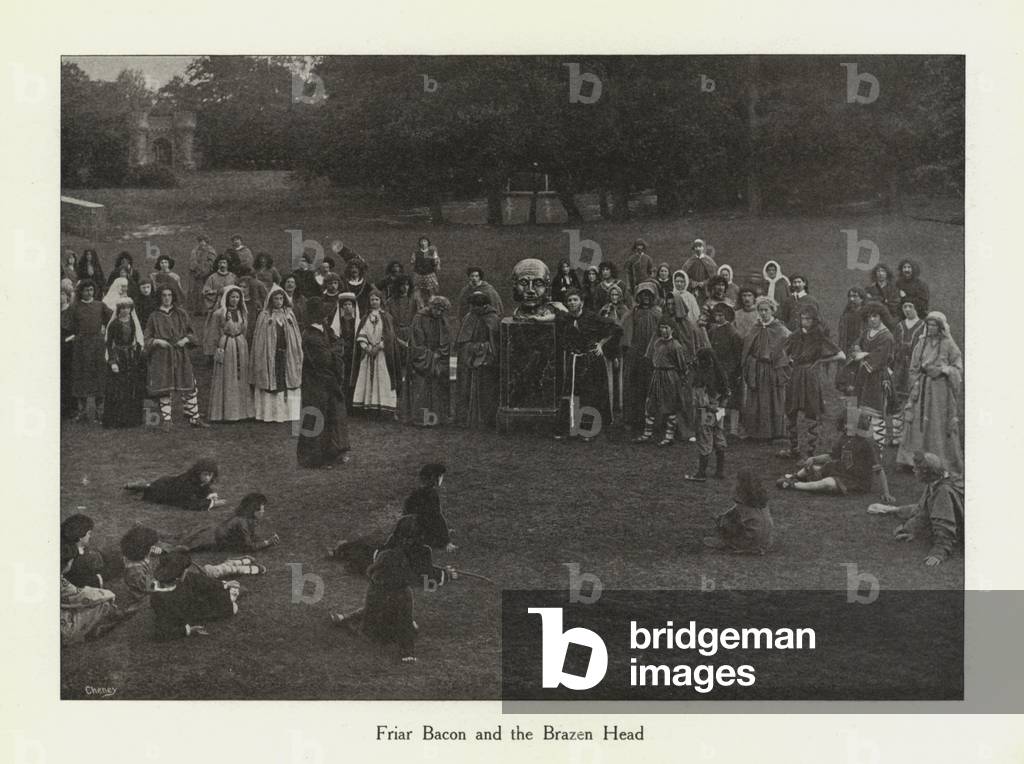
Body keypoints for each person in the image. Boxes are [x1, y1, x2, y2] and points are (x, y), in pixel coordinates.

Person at [118, 525, 264, 616]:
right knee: (192, 580)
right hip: (150, 597)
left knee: (199, 573)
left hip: (158, 584)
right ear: (142, 548)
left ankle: (231, 570)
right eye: (150, 546)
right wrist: (173, 577)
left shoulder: (138, 557)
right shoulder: (134, 571)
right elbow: (152, 587)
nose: (154, 548)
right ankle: (231, 576)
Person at [895, 311, 963, 473]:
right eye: (929, 325)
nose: (931, 328)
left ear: (941, 327)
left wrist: (942, 370)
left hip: (940, 391)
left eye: (934, 325)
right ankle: (912, 460)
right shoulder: (922, 343)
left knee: (936, 422)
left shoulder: (948, 344)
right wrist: (917, 382)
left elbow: (957, 368)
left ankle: (938, 460)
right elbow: (913, 367)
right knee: (916, 422)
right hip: (922, 389)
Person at [776, 411, 895, 503]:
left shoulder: (868, 443)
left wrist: (886, 493)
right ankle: (794, 477)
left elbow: (879, 469)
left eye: (848, 423)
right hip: (840, 470)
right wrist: (814, 459)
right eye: (845, 423)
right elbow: (831, 456)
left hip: (857, 480)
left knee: (828, 483)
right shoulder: (844, 437)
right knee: (815, 467)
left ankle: (796, 485)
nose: (845, 426)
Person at [870, 451, 964, 567]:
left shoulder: (943, 491)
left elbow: (944, 524)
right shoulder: (937, 482)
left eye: (916, 469)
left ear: (926, 472)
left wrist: (939, 552)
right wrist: (910, 528)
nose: (914, 472)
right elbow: (923, 510)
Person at [554, 289, 622, 440]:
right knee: (571, 394)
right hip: (574, 361)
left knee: (589, 395)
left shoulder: (591, 317)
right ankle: (570, 429)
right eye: (570, 300)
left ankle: (587, 431)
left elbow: (615, 328)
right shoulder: (566, 318)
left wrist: (601, 344)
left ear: (582, 303)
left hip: (590, 361)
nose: (572, 303)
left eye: (575, 300)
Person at [779, 305, 843, 459]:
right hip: (795, 375)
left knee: (811, 410)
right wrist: (788, 361)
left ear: (814, 320)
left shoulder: (818, 336)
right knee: (791, 409)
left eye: (808, 319)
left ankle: (809, 453)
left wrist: (821, 361)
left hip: (810, 377)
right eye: (802, 318)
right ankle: (793, 449)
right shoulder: (795, 335)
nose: (804, 321)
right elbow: (783, 351)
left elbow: (841, 355)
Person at [297, 297, 351, 468]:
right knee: (316, 418)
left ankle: (333, 452)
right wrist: (336, 352)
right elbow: (325, 359)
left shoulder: (325, 330)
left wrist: (335, 351)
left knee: (333, 417)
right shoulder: (310, 335)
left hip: (328, 382)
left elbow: (338, 346)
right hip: (316, 383)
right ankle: (313, 458)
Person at [145, 285, 208, 428]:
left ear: (173, 297)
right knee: (164, 386)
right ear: (159, 297)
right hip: (162, 356)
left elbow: (192, 333)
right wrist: (157, 341)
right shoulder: (154, 316)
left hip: (180, 354)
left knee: (189, 383)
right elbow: (147, 337)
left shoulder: (181, 313)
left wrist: (186, 340)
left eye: (169, 295)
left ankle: (194, 417)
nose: (167, 298)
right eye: (164, 295)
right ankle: (167, 420)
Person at [148, 549, 242, 641]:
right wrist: (187, 630)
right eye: (185, 571)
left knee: (221, 590)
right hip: (190, 612)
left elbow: (199, 580)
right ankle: (229, 596)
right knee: (232, 607)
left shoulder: (178, 579)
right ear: (179, 575)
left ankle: (227, 590)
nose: (186, 572)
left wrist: (223, 584)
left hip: (192, 601)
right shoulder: (161, 598)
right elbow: (161, 632)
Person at [250, 285, 303, 422]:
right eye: (276, 299)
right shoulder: (264, 316)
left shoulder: (289, 314)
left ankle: (288, 413)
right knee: (272, 382)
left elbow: (295, 336)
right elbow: (259, 339)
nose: (279, 301)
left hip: (287, 354)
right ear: (271, 300)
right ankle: (270, 414)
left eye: (281, 298)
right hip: (270, 355)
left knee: (287, 381)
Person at [740, 296, 791, 441]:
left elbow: (789, 345)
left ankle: (775, 432)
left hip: (772, 369)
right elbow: (748, 346)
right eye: (760, 310)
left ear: (772, 311)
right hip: (756, 368)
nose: (763, 313)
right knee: (756, 399)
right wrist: (750, 362)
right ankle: (756, 432)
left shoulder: (779, 328)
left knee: (773, 399)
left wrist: (782, 361)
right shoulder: (755, 327)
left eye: (766, 310)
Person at [633, 319, 690, 446]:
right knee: (650, 403)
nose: (663, 330)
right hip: (656, 375)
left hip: (670, 377)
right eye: (661, 328)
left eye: (666, 328)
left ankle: (669, 437)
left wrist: (680, 381)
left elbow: (682, 366)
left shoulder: (676, 346)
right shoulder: (657, 342)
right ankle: (647, 434)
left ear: (672, 330)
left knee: (670, 406)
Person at [62, 279, 112, 423]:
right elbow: (67, 325)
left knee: (99, 377)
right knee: (81, 378)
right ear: (81, 292)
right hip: (81, 346)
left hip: (97, 345)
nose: (89, 292)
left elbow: (113, 318)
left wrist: (105, 330)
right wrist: (73, 337)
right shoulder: (75, 307)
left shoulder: (100, 305)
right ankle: (82, 413)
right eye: (86, 290)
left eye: (91, 290)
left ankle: (99, 413)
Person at [848, 301, 896, 449]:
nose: (872, 319)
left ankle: (877, 451)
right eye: (869, 317)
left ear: (882, 317)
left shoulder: (886, 337)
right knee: (858, 410)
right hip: (862, 377)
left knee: (875, 412)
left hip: (877, 378)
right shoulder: (867, 332)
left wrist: (863, 355)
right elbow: (855, 347)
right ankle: (859, 446)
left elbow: (880, 358)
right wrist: (859, 352)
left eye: (875, 316)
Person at [454, 290, 501, 429]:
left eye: (475, 306)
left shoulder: (493, 318)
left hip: (486, 361)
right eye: (472, 306)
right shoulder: (470, 316)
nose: (472, 309)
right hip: (470, 360)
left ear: (484, 306)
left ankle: (486, 420)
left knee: (486, 390)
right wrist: (470, 348)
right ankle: (467, 419)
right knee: (466, 388)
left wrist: (482, 348)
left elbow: (495, 343)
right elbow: (462, 340)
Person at [208, 285, 255, 422]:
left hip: (240, 344)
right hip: (226, 344)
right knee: (228, 375)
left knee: (241, 375)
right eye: (232, 297)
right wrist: (218, 348)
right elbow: (214, 333)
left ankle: (242, 412)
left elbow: (245, 329)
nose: (234, 299)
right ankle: (227, 412)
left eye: (237, 297)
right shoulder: (219, 313)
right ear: (226, 298)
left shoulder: (242, 312)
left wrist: (241, 340)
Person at [61, 544, 123, 646]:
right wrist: (109, 595)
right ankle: (87, 634)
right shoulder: (62, 583)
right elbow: (82, 595)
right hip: (61, 628)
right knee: (103, 604)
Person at [178, 492, 282, 553]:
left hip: (211, 533)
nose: (263, 512)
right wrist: (267, 543)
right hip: (207, 539)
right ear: (253, 510)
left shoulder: (245, 519)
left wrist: (264, 541)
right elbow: (248, 547)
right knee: (179, 547)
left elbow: (249, 538)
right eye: (261, 509)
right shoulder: (243, 522)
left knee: (180, 540)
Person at [621, 282, 663, 432]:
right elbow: (626, 334)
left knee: (652, 389)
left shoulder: (657, 313)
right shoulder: (633, 313)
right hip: (636, 356)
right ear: (639, 296)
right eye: (643, 295)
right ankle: (633, 419)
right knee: (634, 389)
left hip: (652, 356)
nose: (646, 298)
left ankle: (653, 421)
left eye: (649, 295)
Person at [684, 348, 730, 480]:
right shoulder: (721, 375)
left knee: (704, 440)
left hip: (705, 413)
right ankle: (719, 471)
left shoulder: (701, 378)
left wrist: (709, 408)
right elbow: (727, 393)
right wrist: (720, 407)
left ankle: (701, 473)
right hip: (719, 411)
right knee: (719, 439)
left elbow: (700, 400)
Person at [702, 471, 774, 554]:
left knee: (727, 522)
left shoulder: (742, 501)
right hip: (766, 542)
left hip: (749, 542)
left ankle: (727, 542)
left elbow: (730, 518)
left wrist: (720, 520)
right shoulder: (763, 501)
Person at [352, 289, 399, 415]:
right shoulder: (365, 317)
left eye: (376, 299)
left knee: (383, 379)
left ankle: (383, 407)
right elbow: (361, 333)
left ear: (381, 301)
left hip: (382, 354)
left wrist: (379, 347)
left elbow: (389, 336)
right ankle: (368, 406)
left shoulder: (387, 317)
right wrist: (366, 347)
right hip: (368, 354)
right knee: (366, 378)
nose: (374, 302)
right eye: (372, 299)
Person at [409, 295, 454, 426]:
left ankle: (437, 418)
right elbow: (416, 340)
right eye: (437, 310)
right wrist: (428, 355)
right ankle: (422, 419)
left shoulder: (442, 319)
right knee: (422, 387)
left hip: (438, 358)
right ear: (432, 307)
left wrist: (440, 352)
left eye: (442, 311)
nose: (439, 313)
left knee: (437, 387)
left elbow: (446, 338)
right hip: (423, 358)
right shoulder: (419, 318)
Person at [102, 298, 146, 428]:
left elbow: (136, 340)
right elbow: (109, 345)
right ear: (119, 309)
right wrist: (113, 362)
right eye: (123, 308)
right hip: (118, 357)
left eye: (128, 308)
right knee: (117, 388)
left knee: (130, 387)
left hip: (130, 359)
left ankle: (130, 420)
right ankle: (116, 420)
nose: (125, 310)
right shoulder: (114, 324)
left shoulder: (132, 323)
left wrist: (136, 353)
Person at [124, 458, 226, 511]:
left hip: (169, 483)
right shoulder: (187, 483)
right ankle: (142, 486)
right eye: (205, 474)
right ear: (198, 473)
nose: (208, 478)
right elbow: (189, 504)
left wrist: (211, 495)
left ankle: (144, 485)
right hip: (162, 491)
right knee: (148, 491)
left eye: (210, 475)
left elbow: (203, 488)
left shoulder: (198, 480)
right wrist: (213, 504)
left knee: (151, 486)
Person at [890, 298, 926, 446]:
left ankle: (911, 436)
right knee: (898, 401)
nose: (907, 309)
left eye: (910, 306)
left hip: (915, 368)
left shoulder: (923, 326)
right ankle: (896, 435)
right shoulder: (899, 326)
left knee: (913, 401)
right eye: (905, 306)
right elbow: (893, 346)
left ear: (916, 308)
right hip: (899, 368)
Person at [707, 302, 744, 438]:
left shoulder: (733, 333)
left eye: (721, 315)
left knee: (733, 400)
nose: (718, 318)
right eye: (716, 315)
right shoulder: (712, 331)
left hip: (731, 371)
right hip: (717, 370)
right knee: (719, 399)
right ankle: (719, 426)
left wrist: (736, 371)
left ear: (727, 316)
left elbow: (738, 354)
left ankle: (734, 429)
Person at [386, 275, 419, 423]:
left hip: (410, 337)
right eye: (401, 285)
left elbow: (417, 321)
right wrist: (397, 340)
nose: (404, 287)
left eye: (407, 285)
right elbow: (388, 324)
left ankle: (410, 407)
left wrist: (410, 339)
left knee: (410, 372)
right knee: (396, 371)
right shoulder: (390, 302)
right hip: (395, 338)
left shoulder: (414, 302)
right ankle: (395, 406)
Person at [404, 463, 457, 551]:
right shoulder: (431, 494)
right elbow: (437, 517)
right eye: (440, 476)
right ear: (433, 477)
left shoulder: (414, 492)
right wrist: (446, 542)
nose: (441, 479)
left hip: (410, 530)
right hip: (422, 534)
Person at [835, 287, 868, 400]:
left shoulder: (866, 315)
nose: (852, 299)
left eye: (855, 296)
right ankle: (848, 414)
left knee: (858, 382)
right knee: (847, 383)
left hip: (860, 351)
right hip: (846, 349)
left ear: (862, 299)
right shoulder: (846, 314)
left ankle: (856, 414)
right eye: (850, 296)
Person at [201, 256, 237, 354]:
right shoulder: (212, 277)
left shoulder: (233, 277)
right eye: (220, 263)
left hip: (230, 305)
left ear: (228, 264)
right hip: (217, 306)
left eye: (224, 263)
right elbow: (205, 291)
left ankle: (230, 352)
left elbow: (237, 291)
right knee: (214, 330)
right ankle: (212, 353)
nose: (222, 265)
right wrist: (217, 292)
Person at [60, 514, 107, 588]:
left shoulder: (94, 554)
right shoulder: (67, 554)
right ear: (80, 535)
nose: (90, 536)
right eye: (89, 533)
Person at [187, 236, 218, 315]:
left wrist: (204, 271)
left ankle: (206, 310)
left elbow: (212, 263)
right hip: (196, 274)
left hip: (206, 275)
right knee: (196, 291)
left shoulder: (211, 250)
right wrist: (195, 269)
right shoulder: (195, 251)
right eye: (200, 241)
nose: (202, 243)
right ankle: (197, 310)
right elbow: (192, 261)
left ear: (207, 242)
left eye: (203, 241)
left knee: (206, 291)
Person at [411, 236, 441, 303]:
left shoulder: (431, 252)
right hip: (419, 275)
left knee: (431, 292)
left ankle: (431, 304)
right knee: (418, 291)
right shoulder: (416, 252)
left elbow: (436, 262)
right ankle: (420, 306)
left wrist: (437, 264)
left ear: (428, 243)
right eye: (422, 241)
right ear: (419, 243)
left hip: (429, 274)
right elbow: (413, 263)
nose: (423, 243)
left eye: (425, 241)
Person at [343, 259, 372, 324]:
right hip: (348, 312)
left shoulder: (366, 285)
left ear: (360, 270)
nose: (354, 270)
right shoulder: (345, 284)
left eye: (356, 268)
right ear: (349, 270)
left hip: (363, 312)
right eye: (352, 268)